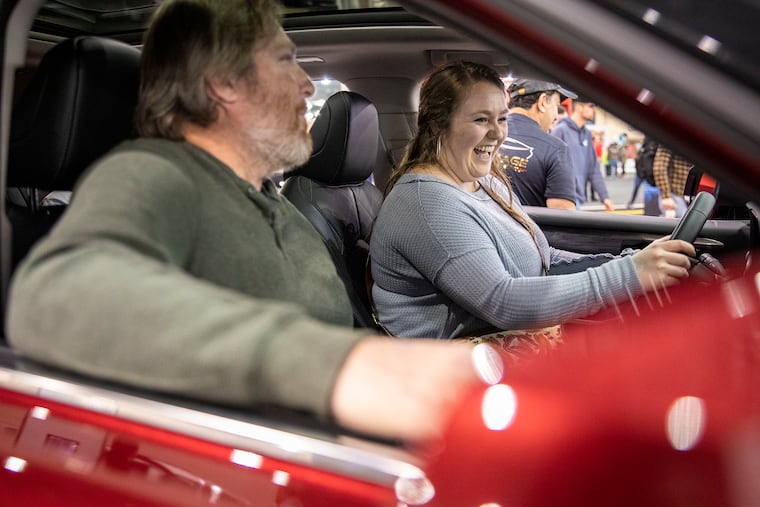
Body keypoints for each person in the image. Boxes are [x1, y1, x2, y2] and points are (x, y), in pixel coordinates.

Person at [5, 0, 485, 443]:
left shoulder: (272, 198)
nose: (305, 84)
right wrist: (333, 368)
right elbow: (55, 297)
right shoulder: (154, 173)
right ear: (223, 83)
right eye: (284, 60)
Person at [369, 61, 695, 339]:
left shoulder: (483, 181)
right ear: (439, 126)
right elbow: (505, 301)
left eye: (502, 118)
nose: (498, 134)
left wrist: (625, 260)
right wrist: (628, 274)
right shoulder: (427, 205)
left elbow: (543, 256)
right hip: (457, 369)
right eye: (481, 119)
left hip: (507, 336)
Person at [498, 78, 576, 209]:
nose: (556, 116)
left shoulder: (485, 138)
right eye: (556, 106)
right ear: (543, 102)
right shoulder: (555, 149)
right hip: (528, 229)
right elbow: (563, 215)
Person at [552, 97, 615, 211]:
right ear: (579, 107)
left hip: (578, 198)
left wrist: (604, 197)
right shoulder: (560, 130)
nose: (594, 110)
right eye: (591, 106)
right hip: (563, 199)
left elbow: (593, 168)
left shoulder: (586, 134)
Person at [653, 145, 693, 218]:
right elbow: (659, 168)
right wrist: (666, 197)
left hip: (685, 195)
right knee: (681, 226)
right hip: (674, 195)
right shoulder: (672, 139)